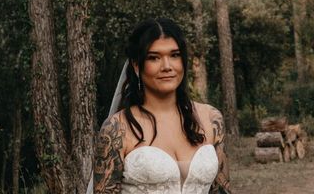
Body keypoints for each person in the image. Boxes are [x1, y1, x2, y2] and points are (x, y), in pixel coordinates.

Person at [93, 18, 231, 194]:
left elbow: (222, 190)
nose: (167, 66)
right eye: (154, 57)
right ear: (137, 65)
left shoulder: (211, 119)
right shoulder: (118, 128)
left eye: (174, 55)